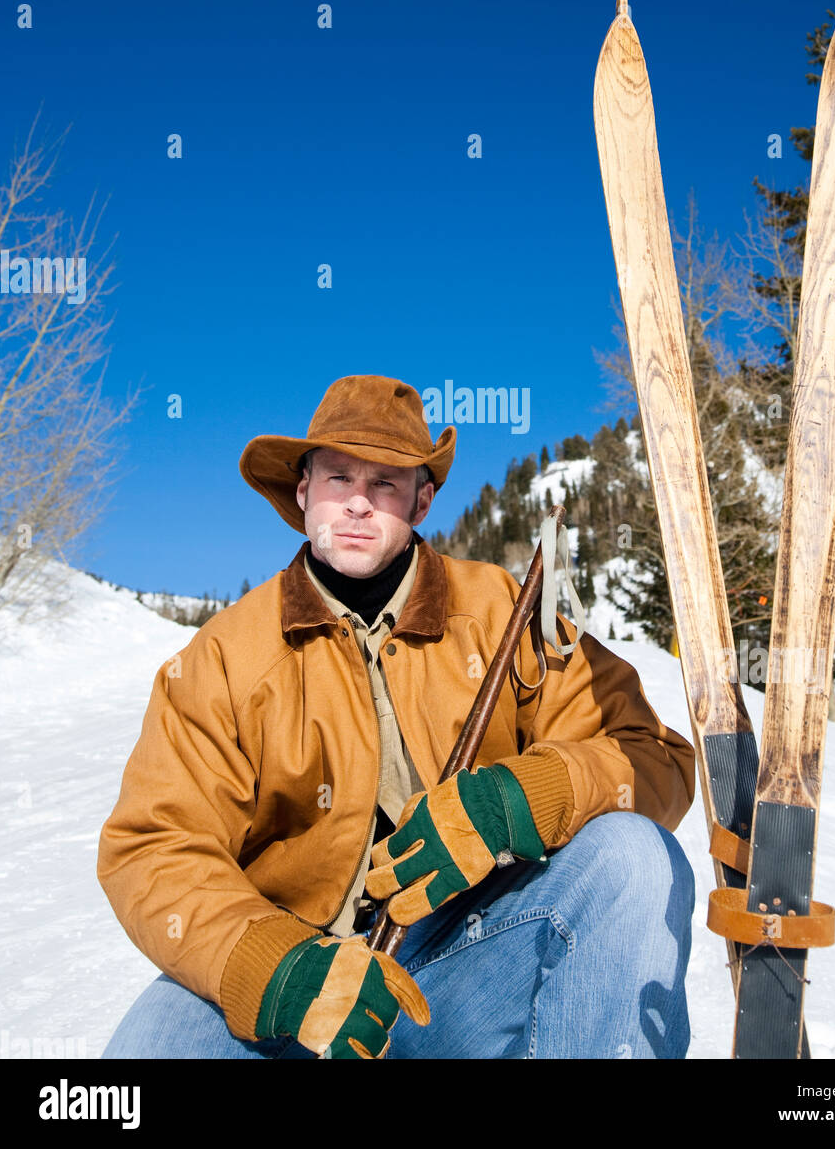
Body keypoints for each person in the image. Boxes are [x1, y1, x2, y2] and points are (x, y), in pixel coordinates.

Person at [98, 374, 697, 1060]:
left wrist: (531, 797)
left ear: (423, 499)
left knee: (630, 858)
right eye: (337, 479)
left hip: (467, 959)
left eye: (385, 483)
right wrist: (277, 969)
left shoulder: (506, 612)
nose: (357, 504)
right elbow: (153, 847)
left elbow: (653, 758)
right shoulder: (224, 658)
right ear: (302, 493)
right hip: (301, 981)